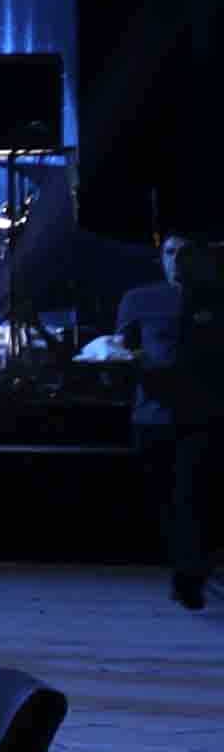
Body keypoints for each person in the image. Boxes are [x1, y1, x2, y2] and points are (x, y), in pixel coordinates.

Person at [139, 236, 223, 610]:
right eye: (173, 254)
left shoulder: (206, 301)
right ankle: (190, 574)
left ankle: (190, 576)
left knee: (193, 497)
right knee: (186, 498)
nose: (179, 263)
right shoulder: (166, 301)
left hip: (198, 413)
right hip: (175, 412)